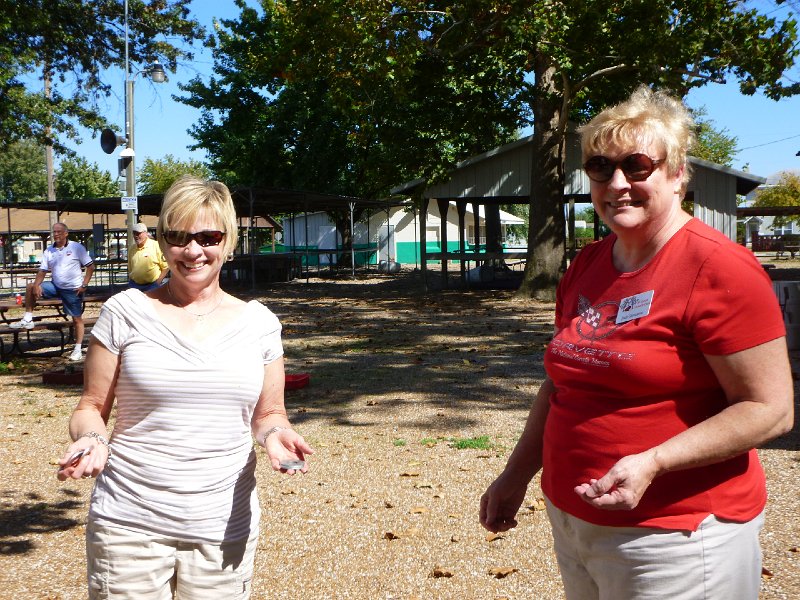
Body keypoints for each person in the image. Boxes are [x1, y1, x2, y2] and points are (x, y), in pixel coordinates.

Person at [480, 86, 794, 599]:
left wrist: (654, 461)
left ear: (678, 174)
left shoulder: (718, 268)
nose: (618, 183)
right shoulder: (587, 264)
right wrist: (514, 477)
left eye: (638, 165)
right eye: (601, 167)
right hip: (574, 520)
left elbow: (770, 409)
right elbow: (559, 387)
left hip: (678, 537)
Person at [56, 175, 313, 599]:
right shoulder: (125, 312)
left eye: (208, 236)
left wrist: (275, 434)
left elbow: (269, 414)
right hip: (128, 520)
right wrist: (92, 438)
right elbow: (91, 405)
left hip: (222, 525)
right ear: (162, 242)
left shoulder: (260, 324)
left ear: (228, 241)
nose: (193, 250)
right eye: (178, 237)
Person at [10, 222, 95, 361]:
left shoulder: (76, 247)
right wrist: (37, 285)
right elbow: (42, 270)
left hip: (72, 289)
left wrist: (84, 285)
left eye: (59, 232)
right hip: (55, 286)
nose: (56, 234)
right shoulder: (49, 250)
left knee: (76, 319)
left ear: (66, 233)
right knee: (31, 286)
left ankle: (78, 349)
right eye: (54, 232)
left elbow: (90, 267)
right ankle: (27, 319)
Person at [128, 221, 169, 291]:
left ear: (146, 233)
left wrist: (157, 282)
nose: (136, 236)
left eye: (138, 233)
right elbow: (130, 267)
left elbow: (166, 267)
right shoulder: (132, 249)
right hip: (134, 285)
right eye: (134, 233)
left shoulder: (156, 246)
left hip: (152, 286)